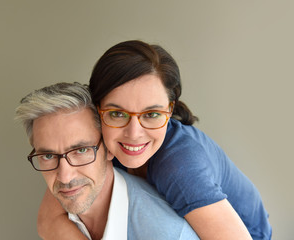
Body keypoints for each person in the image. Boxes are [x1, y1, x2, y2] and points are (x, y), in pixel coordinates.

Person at [38, 40, 272, 240]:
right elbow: (48, 220)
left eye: (151, 114)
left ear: (170, 111)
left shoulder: (180, 169)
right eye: (117, 113)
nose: (134, 133)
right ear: (97, 111)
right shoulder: (96, 140)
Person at [15, 82, 199, 240]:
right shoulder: (59, 215)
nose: (65, 176)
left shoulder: (167, 234)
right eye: (48, 156)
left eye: (81, 150)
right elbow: (47, 220)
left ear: (109, 149)